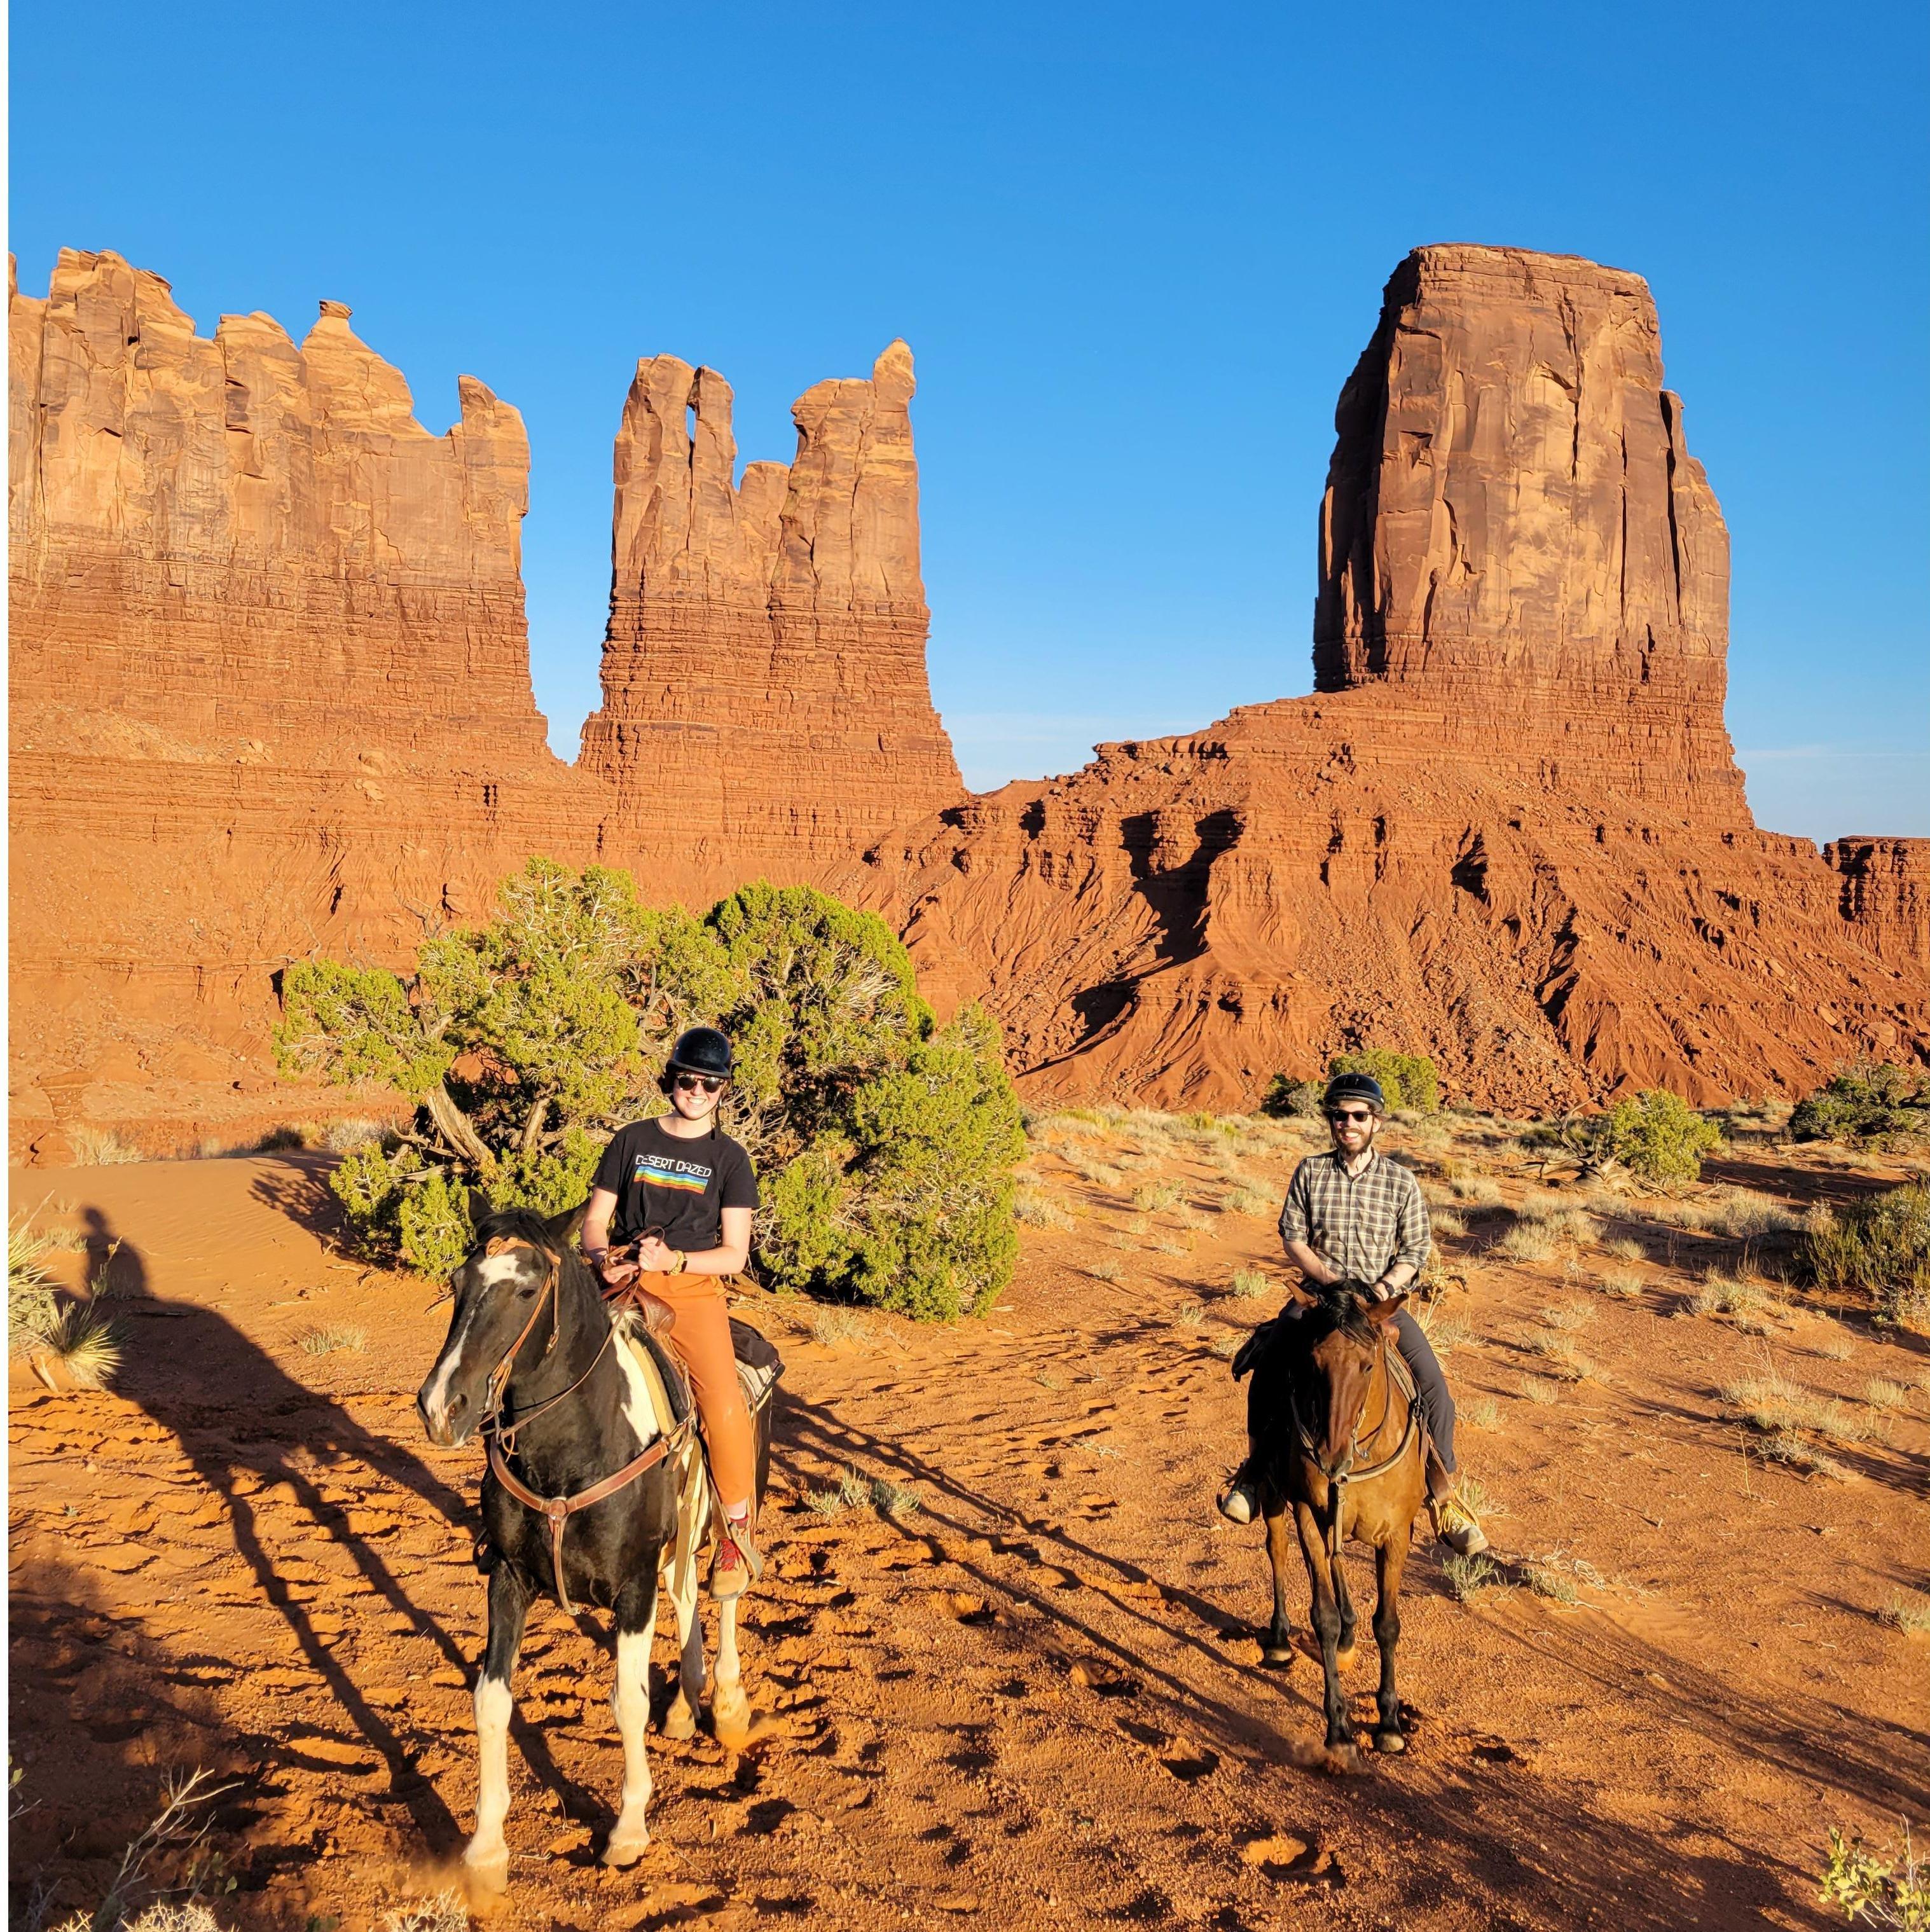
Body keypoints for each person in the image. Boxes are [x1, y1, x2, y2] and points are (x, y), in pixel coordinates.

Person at [1218, 1072, 1488, 1557]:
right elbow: (1292, 1237)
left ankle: (1443, 1496)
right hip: (1321, 1299)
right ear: (1330, 1120)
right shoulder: (1310, 1171)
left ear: (1376, 1123)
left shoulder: (1399, 1181)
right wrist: (1326, 1283)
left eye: (1358, 1116)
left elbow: (1415, 1249)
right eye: (1339, 1115)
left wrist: (1382, 1290)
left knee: (1433, 1388)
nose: (1348, 1123)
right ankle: (1255, 1477)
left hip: (1376, 1304)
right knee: (1270, 1365)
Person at [581, 1026, 763, 1596]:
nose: (698, 1091)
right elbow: (595, 1220)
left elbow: (734, 1254)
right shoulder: (631, 1140)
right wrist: (598, 1258)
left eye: (711, 1084)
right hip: (622, 1279)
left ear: (723, 1091)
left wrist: (678, 1260)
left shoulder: (730, 1159)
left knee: (722, 1402)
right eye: (689, 1080)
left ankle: (735, 1533)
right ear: (672, 1080)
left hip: (689, 1290)